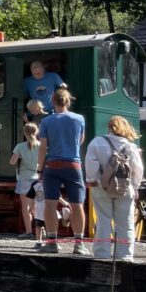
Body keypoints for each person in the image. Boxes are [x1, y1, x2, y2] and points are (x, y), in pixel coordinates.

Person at [84, 115, 145, 261]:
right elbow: (138, 169)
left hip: (102, 187)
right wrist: (135, 187)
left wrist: (93, 180)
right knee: (125, 222)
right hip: (125, 188)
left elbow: (91, 164)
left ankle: (102, 254)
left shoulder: (97, 142)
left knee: (103, 220)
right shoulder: (131, 146)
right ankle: (124, 255)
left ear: (109, 127)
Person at [37, 87, 88, 254]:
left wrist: (39, 168)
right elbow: (80, 140)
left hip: (52, 166)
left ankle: (52, 242)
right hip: (73, 165)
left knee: (50, 204)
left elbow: (43, 147)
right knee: (77, 204)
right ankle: (78, 244)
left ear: (53, 101)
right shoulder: (79, 119)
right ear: (68, 101)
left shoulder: (46, 121)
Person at [9, 122, 41, 238]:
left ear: (24, 133)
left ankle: (28, 232)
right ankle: (41, 232)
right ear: (37, 132)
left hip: (24, 179)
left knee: (26, 207)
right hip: (38, 179)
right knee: (37, 207)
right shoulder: (41, 145)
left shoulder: (20, 147)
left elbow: (12, 162)